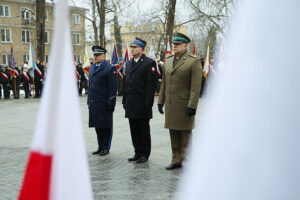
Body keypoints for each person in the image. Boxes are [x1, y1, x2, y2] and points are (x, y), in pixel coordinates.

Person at [158, 32, 202, 170]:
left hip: (184, 105)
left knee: (185, 134)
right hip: (171, 105)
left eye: (177, 44)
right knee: (173, 133)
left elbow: (196, 86)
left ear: (185, 45)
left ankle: (187, 162)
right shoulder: (169, 60)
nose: (174, 46)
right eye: (173, 44)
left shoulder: (193, 61)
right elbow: (164, 83)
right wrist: (160, 101)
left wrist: (192, 105)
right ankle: (176, 160)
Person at [122, 37, 158, 163]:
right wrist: (124, 100)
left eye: (135, 47)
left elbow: (151, 85)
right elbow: (127, 83)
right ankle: (137, 152)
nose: (132, 49)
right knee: (134, 130)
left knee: (143, 130)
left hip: (143, 103)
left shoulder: (149, 63)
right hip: (131, 103)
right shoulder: (128, 63)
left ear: (142, 49)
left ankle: (144, 154)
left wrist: (149, 103)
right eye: (131, 47)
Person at [87, 45, 117, 156]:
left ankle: (106, 147)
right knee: (98, 126)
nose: (95, 57)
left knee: (106, 126)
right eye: (94, 55)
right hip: (95, 103)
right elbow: (91, 86)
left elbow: (113, 88)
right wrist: (89, 100)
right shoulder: (93, 67)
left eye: (97, 55)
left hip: (104, 103)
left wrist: (111, 102)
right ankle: (100, 146)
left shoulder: (109, 68)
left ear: (104, 56)